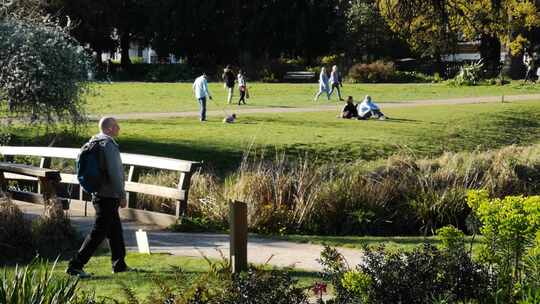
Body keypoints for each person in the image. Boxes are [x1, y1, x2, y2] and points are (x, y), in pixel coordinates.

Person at [66, 117, 128, 278]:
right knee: (98, 232)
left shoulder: (92, 143)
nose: (119, 128)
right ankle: (75, 265)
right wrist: (122, 194)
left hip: (99, 193)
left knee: (115, 231)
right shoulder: (108, 145)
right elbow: (115, 173)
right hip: (108, 195)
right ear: (108, 129)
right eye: (116, 125)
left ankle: (119, 265)